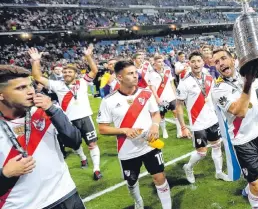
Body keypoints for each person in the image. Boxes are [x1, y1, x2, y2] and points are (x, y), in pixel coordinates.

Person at [0, 65, 84, 209]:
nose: (31, 91)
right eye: (21, 88)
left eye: (30, 85)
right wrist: (5, 174)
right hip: (23, 205)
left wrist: (52, 110)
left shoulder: (45, 110)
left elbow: (75, 141)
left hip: (66, 194)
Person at [97, 60, 172, 209]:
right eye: (130, 73)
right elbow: (102, 128)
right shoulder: (108, 101)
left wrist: (155, 126)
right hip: (127, 150)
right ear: (119, 77)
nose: (135, 76)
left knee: (159, 176)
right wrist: (124, 130)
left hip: (149, 145)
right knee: (131, 181)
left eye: (135, 72)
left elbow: (155, 113)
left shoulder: (146, 93)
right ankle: (139, 203)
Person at [28, 45, 103, 180]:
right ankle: (83, 157)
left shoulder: (82, 82)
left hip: (85, 117)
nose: (67, 74)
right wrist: (36, 61)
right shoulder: (57, 85)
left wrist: (88, 56)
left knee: (92, 144)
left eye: (69, 72)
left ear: (75, 73)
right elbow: (37, 76)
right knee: (74, 144)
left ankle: (96, 169)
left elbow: (94, 70)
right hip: (68, 120)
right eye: (65, 72)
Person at [212, 49, 258, 209]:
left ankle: (248, 189)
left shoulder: (245, 72)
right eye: (216, 62)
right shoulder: (218, 89)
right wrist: (248, 83)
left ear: (233, 59)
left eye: (223, 58)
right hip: (243, 140)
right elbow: (239, 112)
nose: (221, 63)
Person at [176, 51, 229, 183]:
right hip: (197, 123)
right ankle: (188, 167)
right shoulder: (184, 82)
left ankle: (219, 172)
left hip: (213, 120)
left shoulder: (209, 76)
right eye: (193, 61)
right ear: (189, 64)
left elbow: (213, 96)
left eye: (198, 61)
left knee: (217, 146)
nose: (196, 64)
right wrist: (183, 127)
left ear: (203, 62)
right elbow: (178, 106)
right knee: (202, 153)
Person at [148, 55, 183, 139]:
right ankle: (164, 131)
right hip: (161, 98)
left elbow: (172, 83)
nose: (161, 63)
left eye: (162, 61)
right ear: (155, 63)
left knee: (175, 112)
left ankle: (179, 130)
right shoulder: (151, 74)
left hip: (171, 97)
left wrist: (175, 94)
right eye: (159, 62)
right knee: (162, 115)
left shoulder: (167, 71)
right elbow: (152, 88)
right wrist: (156, 98)